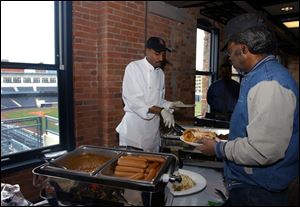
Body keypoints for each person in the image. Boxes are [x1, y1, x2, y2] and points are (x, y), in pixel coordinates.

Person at [197, 13, 299, 206]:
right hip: (252, 185)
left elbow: (263, 151)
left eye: (230, 51)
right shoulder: (258, 76)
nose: (229, 58)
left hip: (259, 190)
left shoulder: (269, 83)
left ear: (243, 49)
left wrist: (218, 148)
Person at [116, 37, 184, 152]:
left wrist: (169, 105)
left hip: (152, 132)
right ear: (147, 51)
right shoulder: (133, 68)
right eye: (157, 54)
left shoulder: (160, 73)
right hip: (134, 132)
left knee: (154, 165)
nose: (161, 58)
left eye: (163, 54)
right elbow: (134, 101)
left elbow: (158, 100)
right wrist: (161, 111)